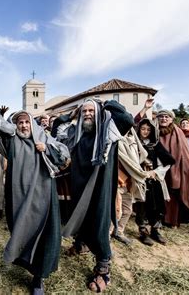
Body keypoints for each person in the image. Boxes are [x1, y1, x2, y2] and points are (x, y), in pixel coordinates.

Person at [0, 80, 70, 294]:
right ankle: (28, 267)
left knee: (45, 236)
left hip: (44, 199)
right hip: (19, 197)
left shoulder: (44, 138)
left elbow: (64, 156)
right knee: (22, 232)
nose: (23, 126)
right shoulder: (12, 142)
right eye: (19, 123)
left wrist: (47, 148)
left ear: (32, 123)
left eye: (26, 122)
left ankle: (39, 278)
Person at [55, 98, 134, 292]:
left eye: (91, 111)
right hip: (78, 185)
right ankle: (81, 244)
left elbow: (127, 119)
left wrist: (106, 103)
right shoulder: (76, 133)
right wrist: (71, 114)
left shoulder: (108, 131)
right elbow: (57, 127)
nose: (88, 114)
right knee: (79, 217)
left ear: (98, 112)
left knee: (98, 222)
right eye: (85, 112)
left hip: (99, 187)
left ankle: (103, 268)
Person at [135, 119, 175, 246]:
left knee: (157, 204)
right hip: (139, 179)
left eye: (148, 129)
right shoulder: (134, 143)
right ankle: (143, 232)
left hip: (153, 179)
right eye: (143, 129)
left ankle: (155, 230)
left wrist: (156, 172)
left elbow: (169, 161)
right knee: (142, 206)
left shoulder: (155, 144)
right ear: (138, 129)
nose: (145, 132)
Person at [157, 110, 189, 227]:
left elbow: (184, 153)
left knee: (173, 195)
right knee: (158, 194)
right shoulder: (154, 130)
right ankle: (158, 219)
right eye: (161, 117)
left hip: (175, 168)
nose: (164, 119)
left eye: (167, 117)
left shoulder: (178, 132)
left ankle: (171, 220)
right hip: (158, 168)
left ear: (171, 119)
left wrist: (180, 170)